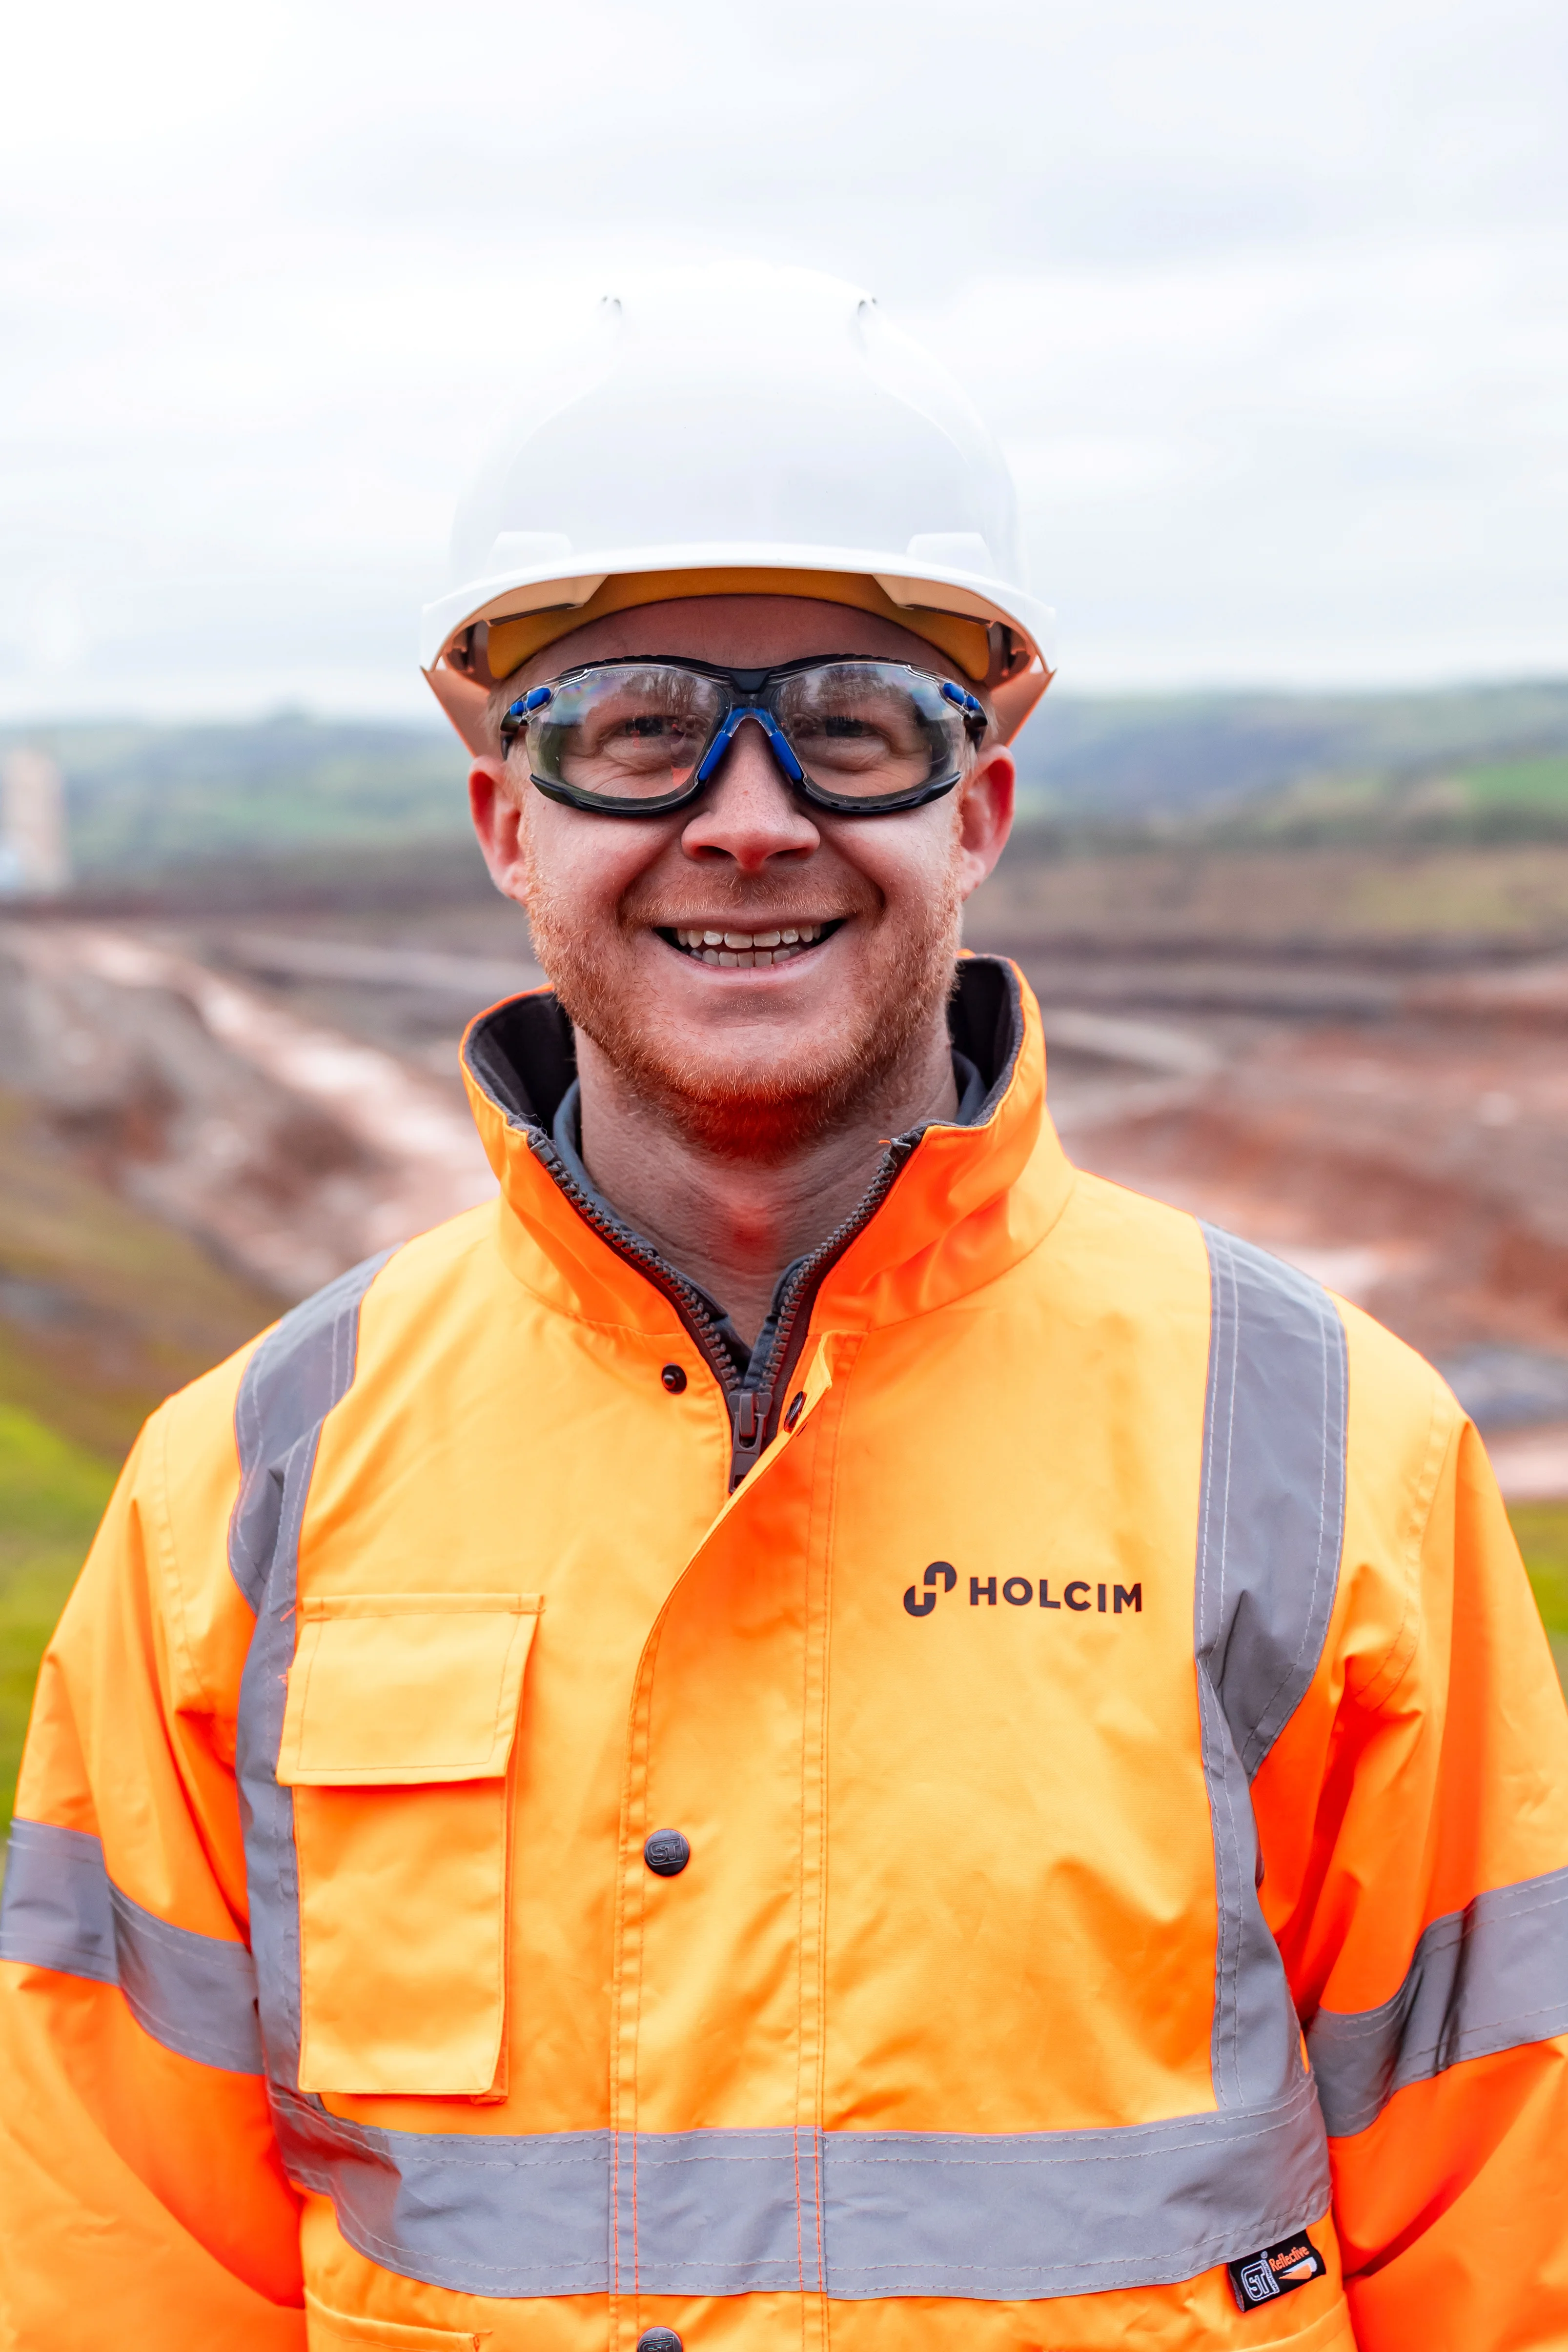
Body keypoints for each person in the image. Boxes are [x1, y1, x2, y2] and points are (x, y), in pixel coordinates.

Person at [1, 263, 1565, 2352]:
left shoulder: (1329, 1452)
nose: (746, 820)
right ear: (507, 824)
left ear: (974, 809)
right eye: (637, 732)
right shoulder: (243, 1492)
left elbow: (1501, 2239)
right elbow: (122, 2264)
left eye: (852, 726)